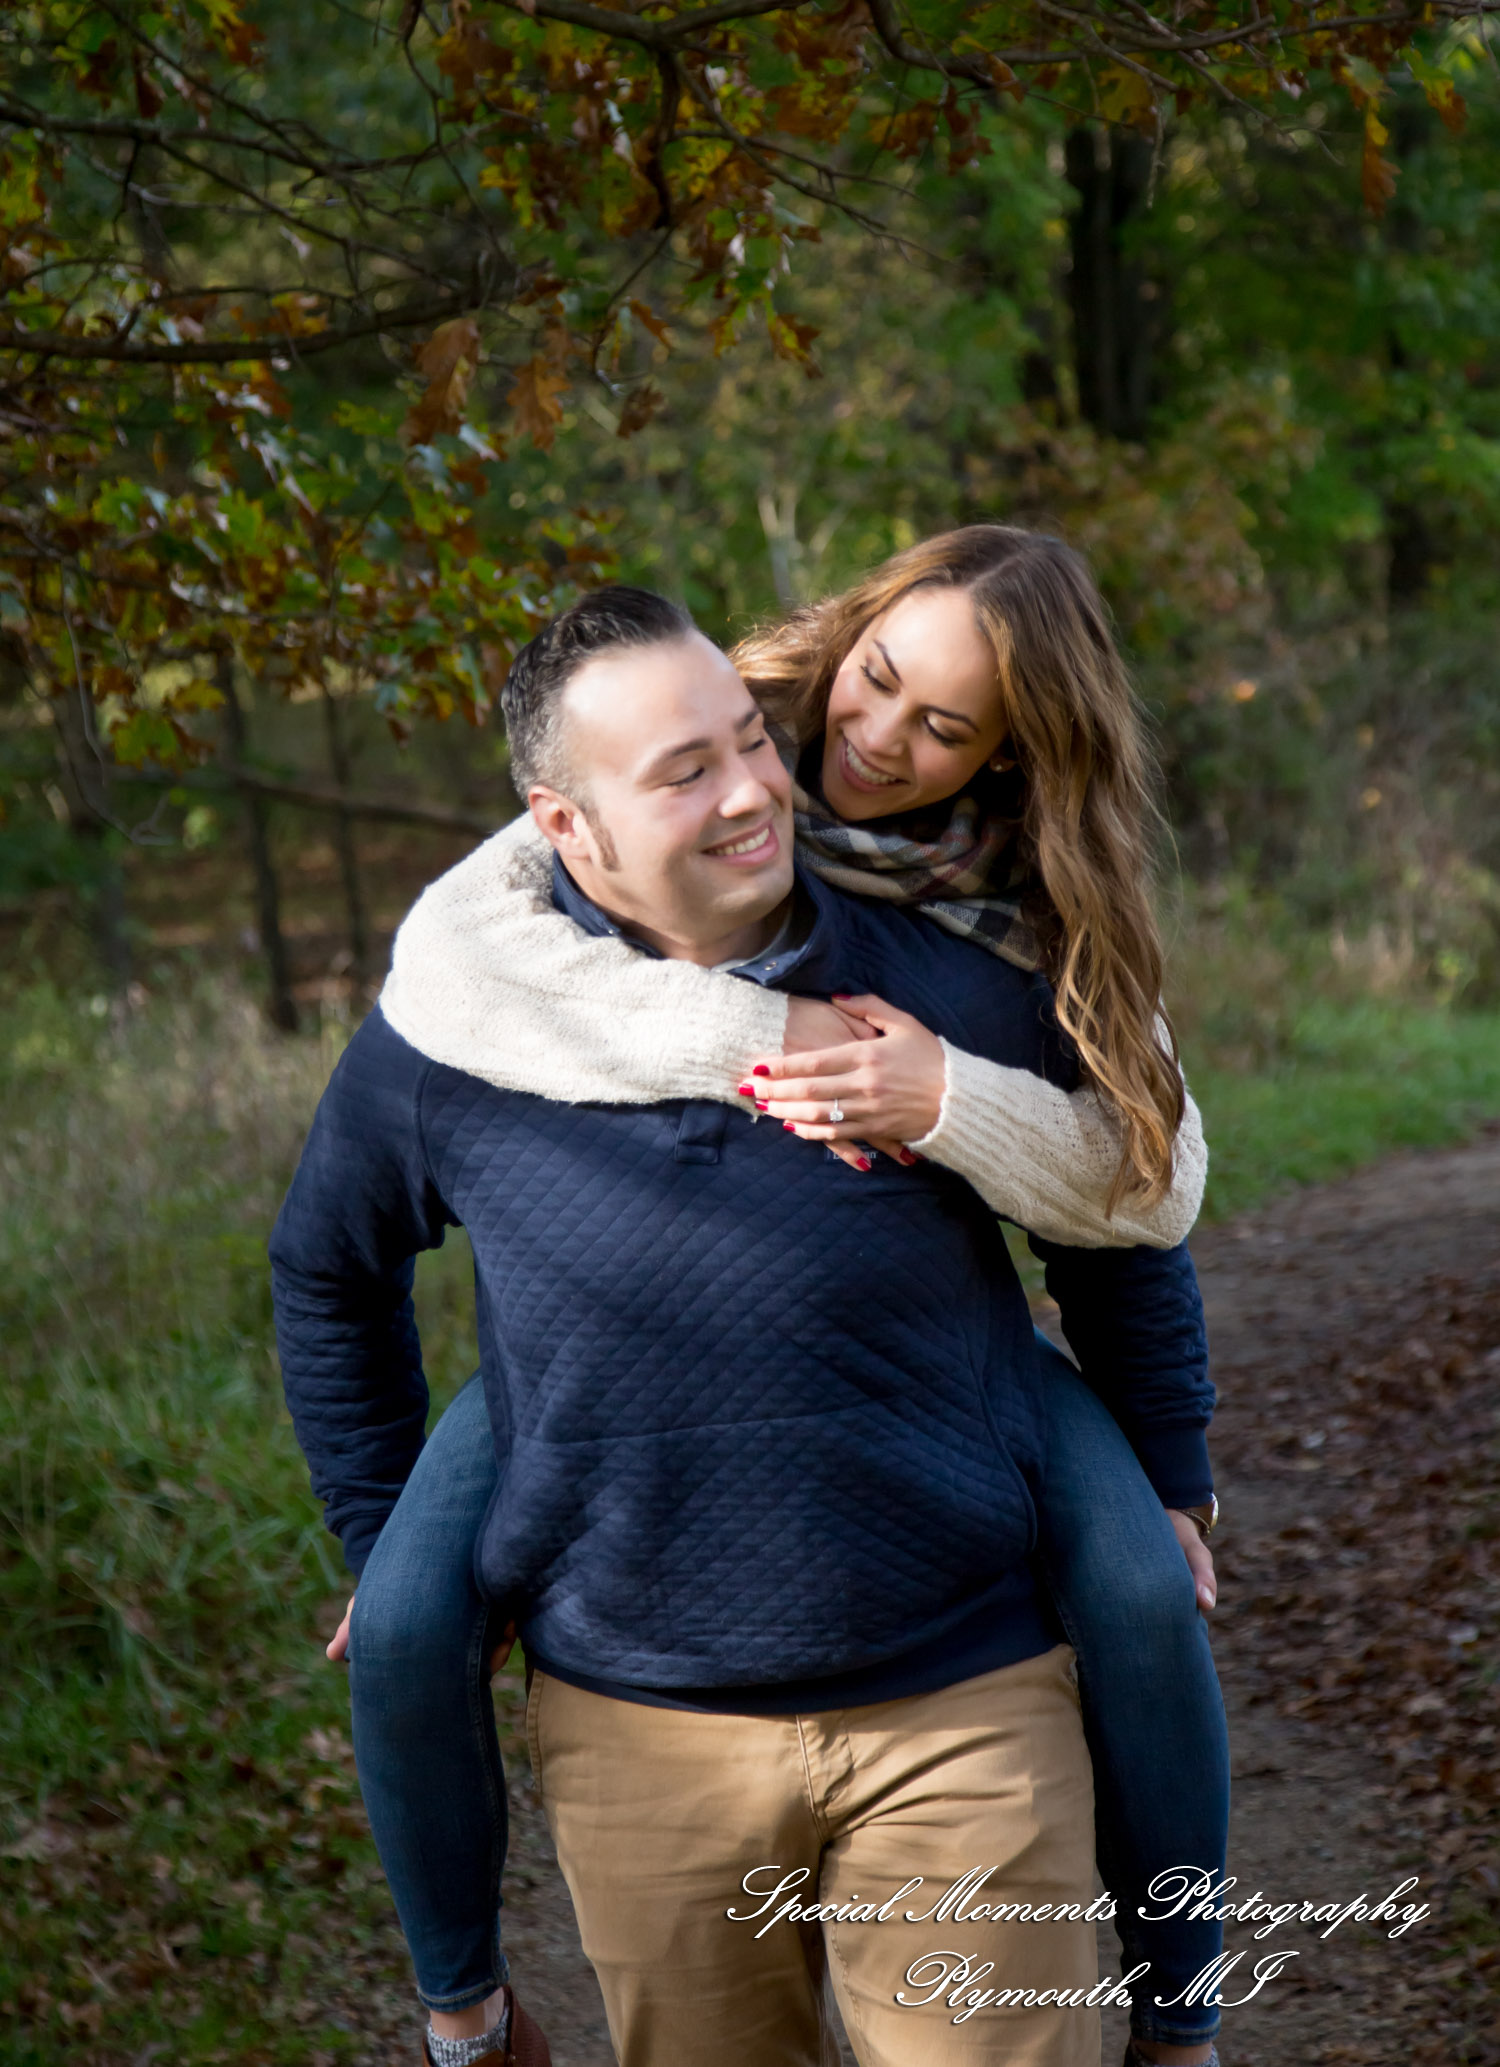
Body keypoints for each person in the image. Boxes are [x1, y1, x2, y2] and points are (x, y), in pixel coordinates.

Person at [271, 582, 1218, 2067]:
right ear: (565, 826)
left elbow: (1119, 1225)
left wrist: (1170, 1471)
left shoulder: (954, 972)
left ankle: (1181, 2013)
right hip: (645, 1730)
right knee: (404, 1624)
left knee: (1147, 1598)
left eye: (747, 745)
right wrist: (386, 1526)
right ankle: (464, 2014)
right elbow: (326, 1269)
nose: (751, 791)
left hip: (961, 1696)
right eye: (684, 772)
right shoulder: (465, 1021)